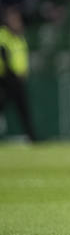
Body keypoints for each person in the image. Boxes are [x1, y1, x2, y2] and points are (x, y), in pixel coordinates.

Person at [0, 8, 37, 142]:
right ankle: (33, 137)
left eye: (17, 19)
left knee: (24, 110)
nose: (17, 22)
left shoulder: (19, 37)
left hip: (18, 80)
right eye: (13, 19)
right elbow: (4, 56)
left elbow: (21, 57)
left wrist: (22, 72)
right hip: (5, 79)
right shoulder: (3, 35)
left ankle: (33, 138)